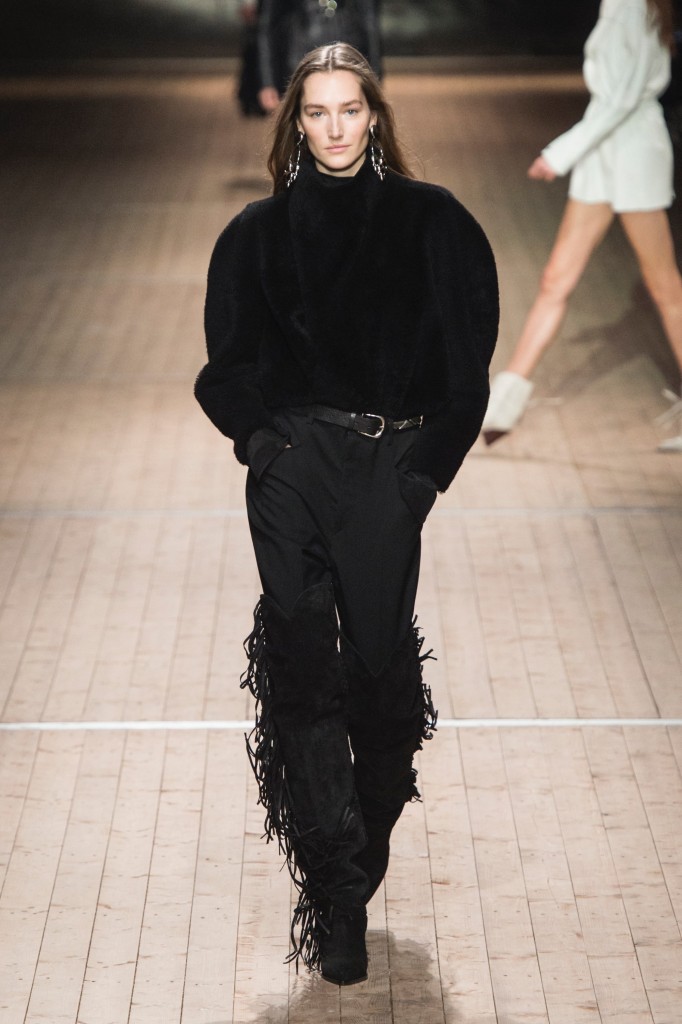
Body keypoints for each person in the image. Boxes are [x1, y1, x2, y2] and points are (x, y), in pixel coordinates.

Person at [195, 43, 498, 985]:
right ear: (296, 121)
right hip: (291, 469)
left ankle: (356, 851)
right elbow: (224, 368)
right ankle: (336, 893)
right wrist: (261, 445)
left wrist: (422, 476)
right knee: (300, 672)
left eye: (349, 110)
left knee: (379, 680)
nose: (334, 127)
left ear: (375, 117)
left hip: (385, 472)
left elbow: (469, 368)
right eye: (317, 111)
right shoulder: (255, 234)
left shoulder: (434, 222)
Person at [481, 0, 682, 452]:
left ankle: (502, 402)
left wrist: (559, 154)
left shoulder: (635, 7)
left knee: (666, 287)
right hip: (602, 154)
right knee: (556, 278)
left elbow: (623, 100)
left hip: (633, 153)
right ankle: (503, 403)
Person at [256, 0, 382, 113]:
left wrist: (375, 77)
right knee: (306, 118)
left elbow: (369, 22)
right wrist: (267, 82)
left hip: (347, 56)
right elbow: (267, 27)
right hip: (299, 59)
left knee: (347, 116)